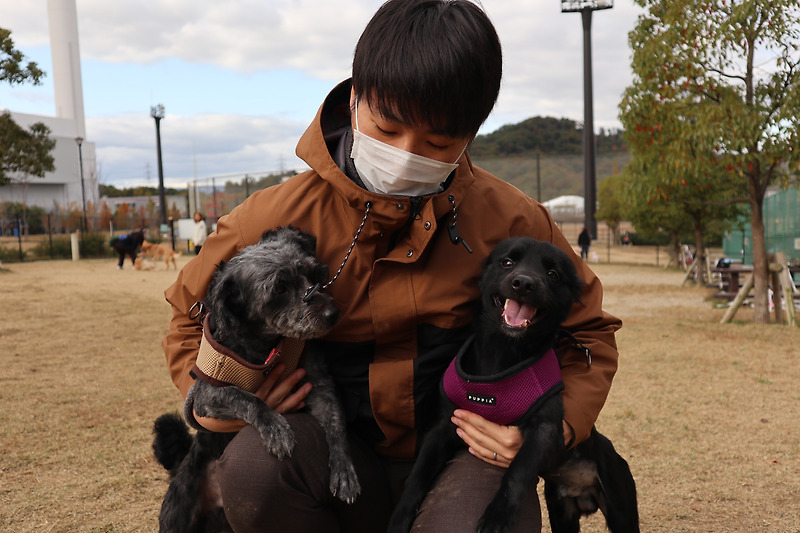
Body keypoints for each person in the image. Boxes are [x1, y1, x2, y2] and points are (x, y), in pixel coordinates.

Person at [161, 1, 621, 531]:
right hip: (331, 446)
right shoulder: (268, 220)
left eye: (438, 143)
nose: (406, 155)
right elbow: (187, 316)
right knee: (254, 472)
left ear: (471, 135)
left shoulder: (514, 221)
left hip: (461, 452)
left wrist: (555, 429)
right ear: (354, 97)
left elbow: (588, 334)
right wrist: (222, 404)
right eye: (386, 127)